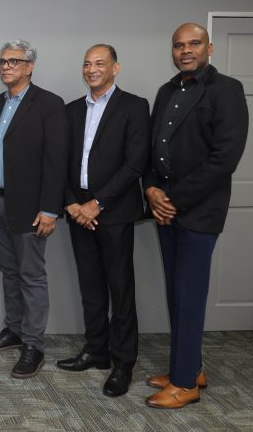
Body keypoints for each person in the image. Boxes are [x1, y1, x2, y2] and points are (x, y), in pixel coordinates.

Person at [143, 23, 248, 409]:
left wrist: (172, 199)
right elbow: (153, 149)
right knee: (176, 293)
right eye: (178, 45)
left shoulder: (227, 90)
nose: (185, 50)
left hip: (199, 212)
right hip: (166, 211)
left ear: (209, 48)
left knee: (189, 297)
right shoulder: (166, 91)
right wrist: (151, 189)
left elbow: (224, 159)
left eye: (194, 43)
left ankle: (185, 385)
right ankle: (189, 367)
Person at [56, 44, 150, 397]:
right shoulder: (71, 110)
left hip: (113, 212)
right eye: (87, 64)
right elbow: (60, 162)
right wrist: (71, 203)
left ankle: (123, 362)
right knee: (91, 286)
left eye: (100, 63)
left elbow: (135, 162)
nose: (92, 69)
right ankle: (97, 350)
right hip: (78, 212)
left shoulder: (134, 106)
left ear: (115, 68)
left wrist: (98, 203)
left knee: (120, 289)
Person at [0, 39, 67, 379]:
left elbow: (57, 160)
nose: (6, 67)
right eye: (2, 61)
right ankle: (14, 329)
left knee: (31, 275)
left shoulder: (49, 104)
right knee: (10, 271)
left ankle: (34, 345)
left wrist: (50, 209)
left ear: (30, 66)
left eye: (13, 61)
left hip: (30, 207)